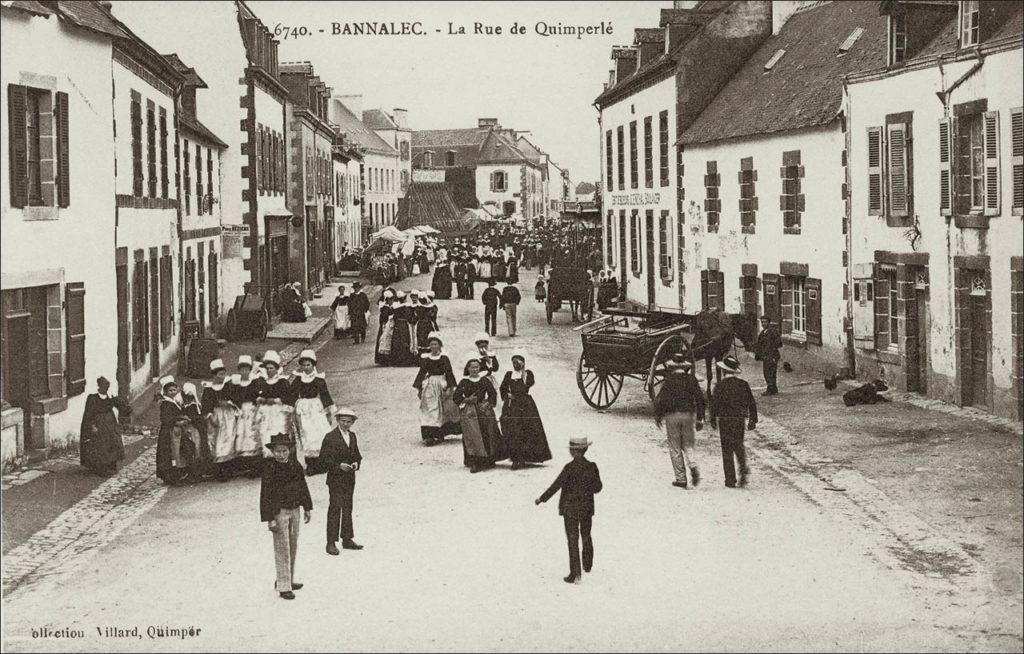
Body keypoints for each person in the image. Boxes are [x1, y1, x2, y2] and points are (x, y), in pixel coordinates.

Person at [535, 437, 603, 584]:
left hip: (570, 508)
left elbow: (556, 485)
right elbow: (598, 488)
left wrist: (542, 498)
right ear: (585, 450)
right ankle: (588, 564)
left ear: (573, 451)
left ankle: (575, 574)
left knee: (572, 540)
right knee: (586, 535)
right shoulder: (592, 466)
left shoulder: (569, 468)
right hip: (586, 508)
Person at [260, 432, 312, 600]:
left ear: (289, 450)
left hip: (295, 509)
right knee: (282, 548)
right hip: (279, 512)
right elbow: (265, 495)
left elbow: (303, 486)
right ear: (272, 452)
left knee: (293, 545)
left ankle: (288, 579)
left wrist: (307, 507)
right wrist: (270, 518)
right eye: (277, 451)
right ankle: (283, 586)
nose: (281, 454)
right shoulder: (270, 469)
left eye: (284, 451)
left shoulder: (295, 465)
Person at [653, 354, 705, 489]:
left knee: (674, 446)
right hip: (688, 415)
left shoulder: (669, 380)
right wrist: (700, 418)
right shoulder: (691, 379)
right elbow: (700, 399)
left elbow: (662, 400)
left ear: (672, 367)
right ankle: (693, 465)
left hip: (672, 416)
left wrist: (659, 416)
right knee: (687, 443)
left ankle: (681, 479)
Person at [709, 355, 757, 488]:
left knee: (726, 449)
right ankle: (743, 469)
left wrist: (713, 418)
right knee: (738, 444)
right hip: (738, 419)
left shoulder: (720, 385)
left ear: (724, 371)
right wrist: (753, 420)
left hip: (725, 420)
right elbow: (751, 403)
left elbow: (714, 404)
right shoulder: (743, 385)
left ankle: (730, 479)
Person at [320, 407, 363, 555]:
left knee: (348, 507)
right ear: (337, 420)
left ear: (352, 423)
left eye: (349, 422)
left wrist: (356, 463)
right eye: (343, 421)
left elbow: (357, 455)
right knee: (335, 508)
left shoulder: (352, 436)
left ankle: (347, 538)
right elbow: (323, 459)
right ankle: (330, 542)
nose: (346, 424)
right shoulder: (330, 437)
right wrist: (338, 466)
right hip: (335, 479)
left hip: (349, 478)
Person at [499, 352, 552, 469]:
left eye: (518, 362)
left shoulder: (528, 374)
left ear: (523, 362)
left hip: (525, 406)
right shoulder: (509, 374)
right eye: (513, 362)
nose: (515, 364)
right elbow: (502, 387)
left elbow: (529, 384)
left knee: (525, 430)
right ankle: (515, 458)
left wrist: (523, 371)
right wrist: (507, 395)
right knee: (512, 430)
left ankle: (523, 458)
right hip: (511, 406)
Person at [454, 357, 507, 473]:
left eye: (476, 367)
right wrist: (467, 400)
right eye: (472, 367)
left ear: (479, 368)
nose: (474, 369)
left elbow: (492, 394)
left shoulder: (484, 380)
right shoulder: (464, 381)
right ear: (468, 368)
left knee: (487, 433)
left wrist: (487, 404)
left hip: (483, 410)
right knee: (472, 436)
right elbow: (456, 396)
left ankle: (488, 459)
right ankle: (474, 461)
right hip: (470, 412)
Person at [290, 349, 335, 473]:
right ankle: (310, 465)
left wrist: (329, 413)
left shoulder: (318, 379)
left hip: (316, 407)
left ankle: (322, 463)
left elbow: (325, 396)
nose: (306, 368)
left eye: (308, 365)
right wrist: (290, 408)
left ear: (313, 365)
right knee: (307, 435)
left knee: (320, 433)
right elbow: (292, 394)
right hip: (304, 408)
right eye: (303, 365)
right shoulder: (299, 379)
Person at [413, 332, 460, 446]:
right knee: (430, 409)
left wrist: (450, 387)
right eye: (432, 344)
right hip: (430, 386)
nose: (434, 347)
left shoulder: (444, 358)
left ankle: (440, 434)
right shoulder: (426, 358)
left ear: (440, 345)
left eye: (436, 344)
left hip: (441, 384)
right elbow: (422, 373)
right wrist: (419, 389)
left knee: (443, 409)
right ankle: (429, 435)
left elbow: (449, 373)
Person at [79, 377, 131, 476]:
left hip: (110, 423)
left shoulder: (110, 397)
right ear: (99, 386)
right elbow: (89, 414)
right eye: (103, 386)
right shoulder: (93, 398)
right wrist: (92, 426)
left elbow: (123, 407)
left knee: (113, 442)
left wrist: (119, 401)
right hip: (99, 424)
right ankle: (101, 468)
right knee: (101, 445)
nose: (105, 388)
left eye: (107, 386)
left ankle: (111, 465)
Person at [202, 359, 240, 481]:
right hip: (216, 416)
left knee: (229, 440)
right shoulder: (208, 389)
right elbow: (206, 405)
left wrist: (230, 403)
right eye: (220, 374)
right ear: (214, 375)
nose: (222, 377)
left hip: (228, 416)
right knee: (216, 442)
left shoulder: (228, 386)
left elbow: (235, 398)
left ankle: (228, 470)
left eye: (224, 374)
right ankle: (219, 471)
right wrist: (210, 415)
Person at [254, 351, 294, 454]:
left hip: (278, 412)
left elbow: (289, 398)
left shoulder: (282, 382)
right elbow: (257, 395)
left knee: (278, 432)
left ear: (276, 369)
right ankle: (268, 455)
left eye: (271, 368)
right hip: (266, 412)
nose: (269, 370)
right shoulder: (262, 382)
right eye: (267, 368)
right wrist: (261, 399)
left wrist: (277, 400)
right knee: (265, 434)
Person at [155, 376, 193, 485]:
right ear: (165, 392)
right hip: (169, 432)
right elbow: (166, 418)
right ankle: (172, 477)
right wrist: (177, 422)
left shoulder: (173, 401)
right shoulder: (166, 403)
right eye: (170, 390)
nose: (173, 392)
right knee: (171, 453)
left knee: (177, 452)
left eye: (174, 390)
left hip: (175, 430)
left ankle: (177, 474)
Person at [232, 355, 263, 476]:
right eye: (242, 370)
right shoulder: (236, 383)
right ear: (239, 371)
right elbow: (233, 397)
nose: (244, 372)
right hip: (241, 411)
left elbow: (258, 396)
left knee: (253, 435)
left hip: (252, 410)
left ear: (250, 370)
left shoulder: (254, 382)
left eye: (246, 369)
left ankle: (256, 466)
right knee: (242, 434)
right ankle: (246, 465)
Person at [753, 315, 782, 396]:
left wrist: (771, 353)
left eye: (765, 322)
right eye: (762, 322)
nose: (763, 324)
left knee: (770, 372)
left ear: (769, 322)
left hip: (772, 356)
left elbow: (778, 343)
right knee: (767, 372)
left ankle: (770, 389)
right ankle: (773, 388)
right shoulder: (763, 333)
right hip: (766, 356)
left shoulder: (773, 331)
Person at [391, 292, 419, 366]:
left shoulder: (396, 307)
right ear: (404, 298)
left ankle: (398, 360)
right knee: (406, 340)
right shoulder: (406, 307)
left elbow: (394, 317)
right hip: (404, 325)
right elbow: (409, 317)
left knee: (398, 341)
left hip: (397, 325)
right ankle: (406, 360)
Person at [375, 291, 396, 365]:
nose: (391, 301)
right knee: (384, 341)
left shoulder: (392, 306)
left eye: (392, 299)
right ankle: (384, 359)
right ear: (386, 300)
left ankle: (390, 358)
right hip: (386, 326)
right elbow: (383, 318)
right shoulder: (385, 308)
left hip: (391, 326)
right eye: (389, 299)